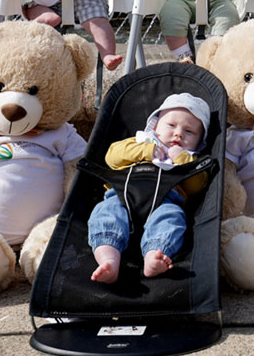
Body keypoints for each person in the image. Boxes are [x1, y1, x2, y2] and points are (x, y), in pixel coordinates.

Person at [89, 93, 210, 282]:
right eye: (171, 125)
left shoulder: (191, 159)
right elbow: (111, 157)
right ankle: (108, 258)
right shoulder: (140, 141)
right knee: (106, 212)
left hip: (165, 200)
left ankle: (155, 254)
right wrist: (146, 151)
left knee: (172, 217)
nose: (178, 133)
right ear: (155, 126)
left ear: (199, 141)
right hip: (121, 195)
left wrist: (182, 159)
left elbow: (196, 186)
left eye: (189, 132)